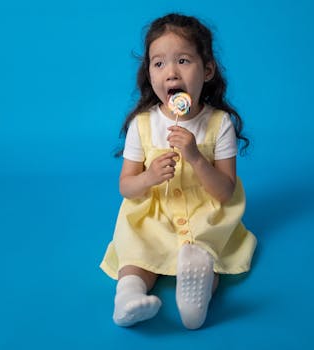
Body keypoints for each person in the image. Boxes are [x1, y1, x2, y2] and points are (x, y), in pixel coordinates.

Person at [100, 13, 257, 330]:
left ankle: (195, 299)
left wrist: (196, 158)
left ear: (208, 69)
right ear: (149, 74)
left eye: (183, 60)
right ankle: (128, 296)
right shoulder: (142, 125)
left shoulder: (218, 124)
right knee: (137, 252)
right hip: (155, 213)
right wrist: (148, 177)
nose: (170, 72)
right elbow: (126, 187)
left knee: (203, 250)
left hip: (204, 211)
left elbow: (225, 191)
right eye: (158, 64)